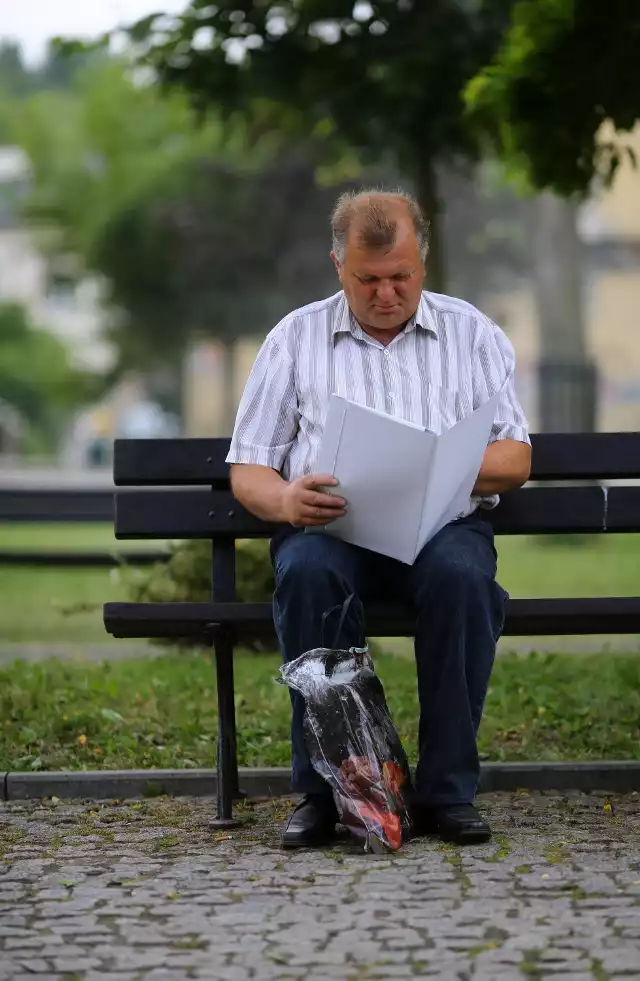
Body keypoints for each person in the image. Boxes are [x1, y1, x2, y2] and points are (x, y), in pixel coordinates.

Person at [227, 190, 531, 848]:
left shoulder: (472, 333)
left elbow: (515, 453)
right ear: (338, 263)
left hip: (444, 525)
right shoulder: (295, 338)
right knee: (307, 573)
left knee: (464, 580)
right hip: (333, 528)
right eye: (369, 280)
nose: (388, 293)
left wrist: (447, 467)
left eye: (402, 277)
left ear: (421, 260)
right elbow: (248, 465)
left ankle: (447, 793)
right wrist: (283, 502)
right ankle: (325, 792)